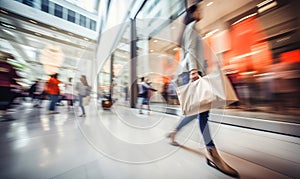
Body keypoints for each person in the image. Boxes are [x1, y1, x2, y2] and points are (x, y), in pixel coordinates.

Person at [167, 2, 239, 178]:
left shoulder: (190, 28)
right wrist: (194, 71)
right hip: (191, 72)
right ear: (193, 13)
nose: (202, 12)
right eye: (200, 9)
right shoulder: (192, 27)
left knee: (196, 111)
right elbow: (191, 51)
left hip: (192, 72)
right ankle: (212, 153)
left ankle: (174, 132)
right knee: (203, 113)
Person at [0, 52, 21, 117]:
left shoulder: (9, 66)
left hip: (5, 85)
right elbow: (16, 76)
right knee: (5, 99)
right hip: (4, 85)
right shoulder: (9, 66)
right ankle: (3, 112)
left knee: (5, 99)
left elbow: (16, 76)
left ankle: (3, 112)